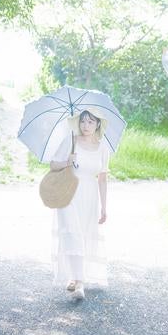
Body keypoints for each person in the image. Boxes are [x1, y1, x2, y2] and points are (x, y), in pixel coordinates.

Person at [49, 106, 110, 299]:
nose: (86, 125)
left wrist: (104, 206)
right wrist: (67, 161)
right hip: (69, 192)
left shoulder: (103, 147)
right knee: (72, 232)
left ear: (98, 124)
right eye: (83, 120)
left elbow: (102, 178)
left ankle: (74, 277)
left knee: (83, 234)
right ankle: (80, 284)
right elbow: (53, 164)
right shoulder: (71, 141)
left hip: (90, 194)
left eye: (91, 121)